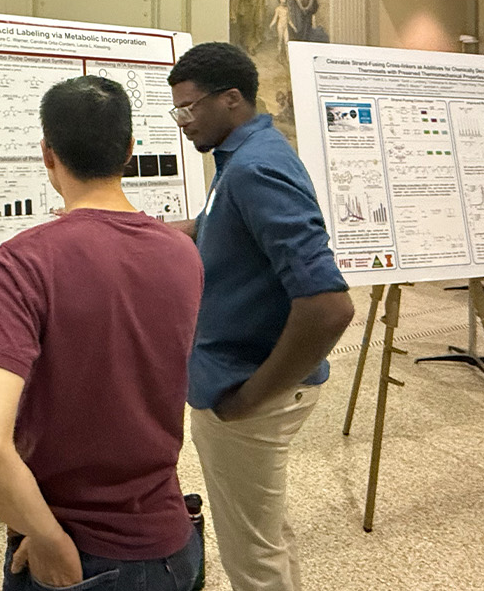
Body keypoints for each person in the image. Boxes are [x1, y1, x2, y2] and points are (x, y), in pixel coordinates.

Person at [0, 75, 205, 591]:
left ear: (48, 154)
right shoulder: (181, 252)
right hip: (173, 546)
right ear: (130, 151)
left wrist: (46, 538)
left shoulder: (23, 261)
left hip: (79, 556)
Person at [167, 42, 354, 591]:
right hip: (241, 376)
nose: (182, 121)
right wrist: (138, 230)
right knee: (265, 534)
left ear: (230, 99)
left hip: (248, 387)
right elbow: (215, 225)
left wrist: (251, 399)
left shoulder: (254, 167)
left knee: (251, 556)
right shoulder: (244, 155)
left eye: (189, 108)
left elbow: (329, 307)